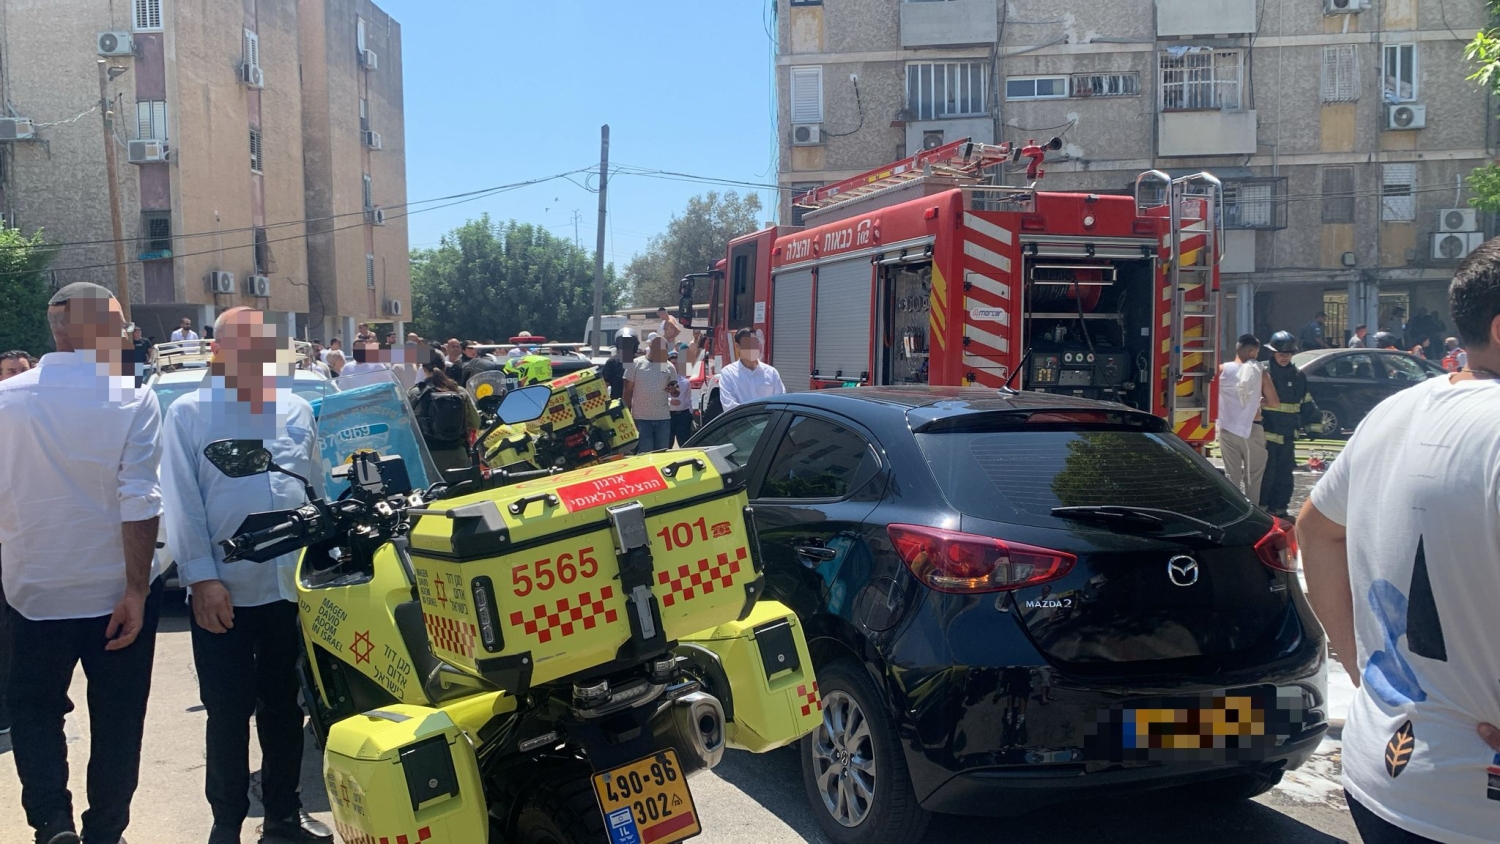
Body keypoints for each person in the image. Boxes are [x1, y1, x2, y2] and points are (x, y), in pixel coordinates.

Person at [1297, 238, 1500, 844]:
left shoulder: (1397, 409)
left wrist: (1366, 673)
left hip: (1382, 777)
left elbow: (1315, 529)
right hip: (1475, 807)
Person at [159, 307, 333, 844]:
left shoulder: (296, 409)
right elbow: (181, 503)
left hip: (289, 588)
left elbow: (313, 489)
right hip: (224, 592)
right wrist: (201, 579)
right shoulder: (189, 414)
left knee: (285, 708)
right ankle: (226, 822)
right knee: (227, 712)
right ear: (217, 351)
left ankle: (283, 814)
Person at [0, 282, 165, 844]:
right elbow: (140, 497)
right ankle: (105, 831)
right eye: (118, 323)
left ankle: (52, 824)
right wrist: (137, 591)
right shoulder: (133, 398)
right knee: (119, 719)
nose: (124, 333)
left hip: (32, 592)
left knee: (34, 711)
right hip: (116, 595)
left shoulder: (7, 399)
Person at [1260, 332, 1319, 519]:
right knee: (1266, 474)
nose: (1284, 357)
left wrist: (1313, 424)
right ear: (1273, 353)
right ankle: (1262, 508)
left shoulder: (1298, 375)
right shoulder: (1263, 372)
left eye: (1288, 354)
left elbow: (1306, 401)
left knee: (1285, 475)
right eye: (1281, 354)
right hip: (1266, 433)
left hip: (1287, 434)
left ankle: (1280, 509)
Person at [1216, 334, 1279, 504]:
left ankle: (1232, 511)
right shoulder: (1259, 371)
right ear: (1251, 352)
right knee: (1253, 478)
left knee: (1231, 476)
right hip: (1252, 429)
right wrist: (1259, 400)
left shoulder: (1221, 370)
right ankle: (1252, 513)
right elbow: (1274, 402)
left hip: (1227, 429)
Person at [408, 361, 480, 476]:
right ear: (444, 366)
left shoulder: (414, 393)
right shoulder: (459, 391)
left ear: (424, 369)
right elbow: (476, 422)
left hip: (429, 459)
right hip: (458, 454)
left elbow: (405, 426)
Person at [624, 335, 678, 453]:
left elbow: (676, 392)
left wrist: (673, 390)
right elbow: (627, 391)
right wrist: (627, 416)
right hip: (641, 419)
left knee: (662, 454)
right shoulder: (636, 364)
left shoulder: (669, 366)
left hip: (663, 419)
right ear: (651, 346)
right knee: (645, 454)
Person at [717, 328, 786, 411]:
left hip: (769, 419)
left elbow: (781, 403)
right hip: (742, 419)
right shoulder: (728, 373)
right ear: (737, 346)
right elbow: (729, 407)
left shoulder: (771, 373)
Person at [602, 328, 639, 401]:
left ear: (634, 344)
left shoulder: (639, 362)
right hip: (617, 403)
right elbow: (605, 385)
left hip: (637, 403)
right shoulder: (612, 362)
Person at [667, 350, 695, 447]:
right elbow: (659, 396)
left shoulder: (685, 381)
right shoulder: (663, 379)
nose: (674, 366)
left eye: (676, 363)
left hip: (683, 415)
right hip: (668, 415)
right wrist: (670, 401)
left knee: (685, 444)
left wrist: (691, 414)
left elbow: (689, 398)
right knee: (667, 444)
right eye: (672, 363)